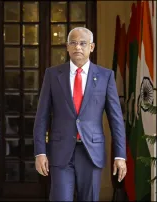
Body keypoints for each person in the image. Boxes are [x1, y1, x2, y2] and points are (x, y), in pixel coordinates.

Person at [33, 27, 127, 201]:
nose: (78, 47)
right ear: (67, 47)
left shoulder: (106, 76)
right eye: (73, 43)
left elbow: (116, 120)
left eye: (83, 43)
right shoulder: (53, 75)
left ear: (91, 47)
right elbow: (42, 117)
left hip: (91, 152)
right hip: (60, 152)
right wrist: (40, 152)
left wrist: (120, 155)